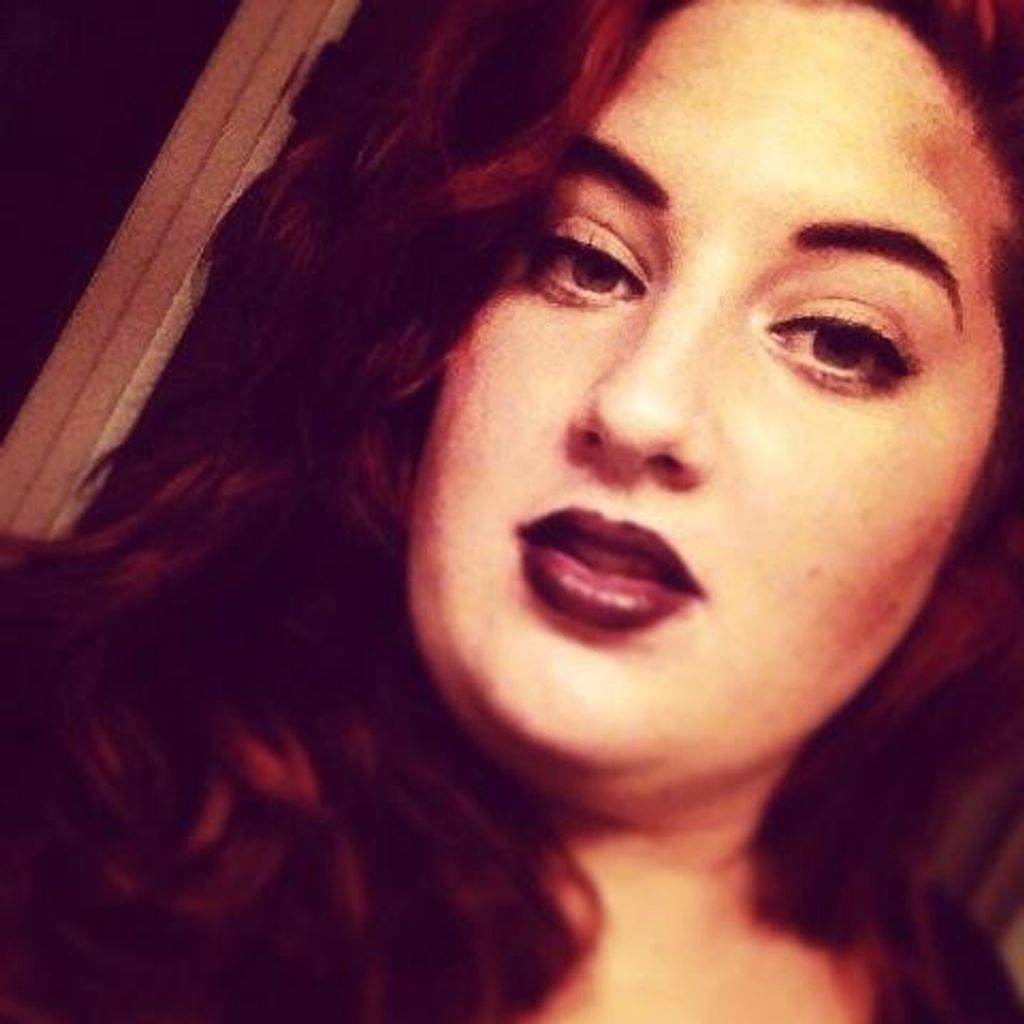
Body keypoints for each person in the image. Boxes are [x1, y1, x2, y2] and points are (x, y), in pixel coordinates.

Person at [1, 0, 1023, 1020]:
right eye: (586, 260)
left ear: (988, 480)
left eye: (840, 339)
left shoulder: (950, 993)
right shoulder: (44, 774)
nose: (638, 405)